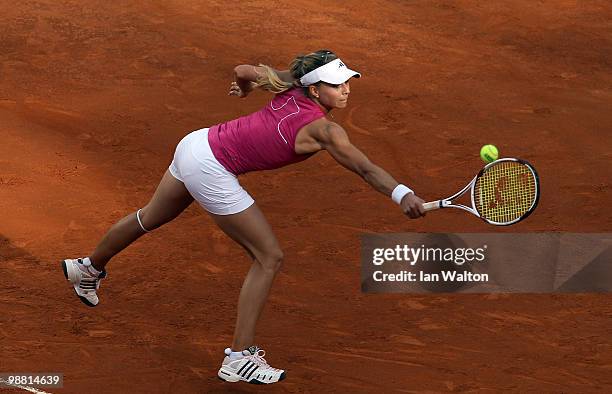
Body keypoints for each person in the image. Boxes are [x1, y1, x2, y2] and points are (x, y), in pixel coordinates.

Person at [61, 49, 426, 385]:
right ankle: (238, 357)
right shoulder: (325, 130)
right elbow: (364, 168)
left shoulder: (290, 84)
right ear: (315, 91)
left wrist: (243, 87)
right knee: (269, 257)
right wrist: (402, 194)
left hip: (197, 143)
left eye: (348, 82)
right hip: (212, 167)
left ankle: (87, 268)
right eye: (337, 84)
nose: (346, 90)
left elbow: (242, 70)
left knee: (150, 217)